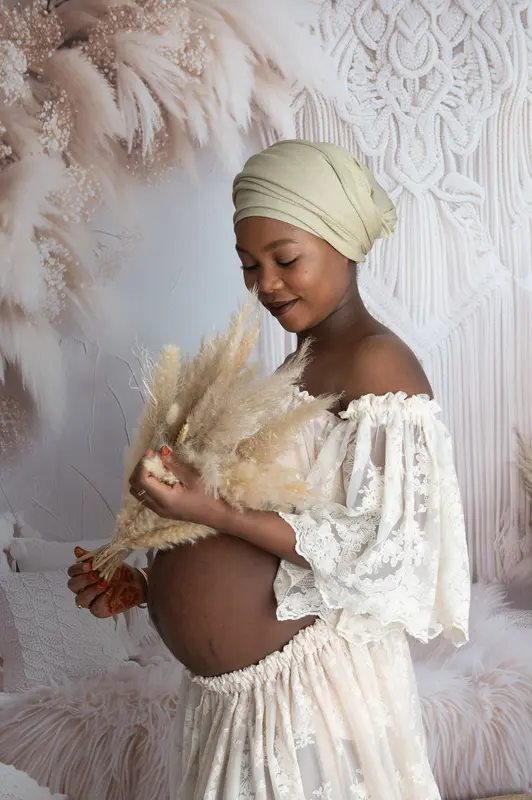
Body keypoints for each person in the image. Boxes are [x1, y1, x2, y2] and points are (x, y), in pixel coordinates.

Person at [68, 140, 471, 799]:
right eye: (249, 266)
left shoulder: (377, 363)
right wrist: (146, 586)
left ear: (342, 242)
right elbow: (273, 545)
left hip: (311, 698)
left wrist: (213, 510)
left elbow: (391, 552)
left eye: (286, 259)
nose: (266, 284)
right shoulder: (293, 368)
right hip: (235, 707)